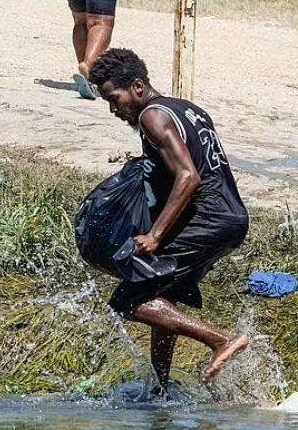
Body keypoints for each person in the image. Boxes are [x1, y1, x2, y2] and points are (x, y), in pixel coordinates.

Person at [88, 48, 251, 388]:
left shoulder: (152, 117)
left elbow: (189, 176)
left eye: (114, 99)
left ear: (137, 86)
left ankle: (219, 339)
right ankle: (160, 387)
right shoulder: (188, 109)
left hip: (208, 219)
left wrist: (156, 236)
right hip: (232, 216)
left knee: (128, 299)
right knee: (162, 292)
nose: (114, 110)